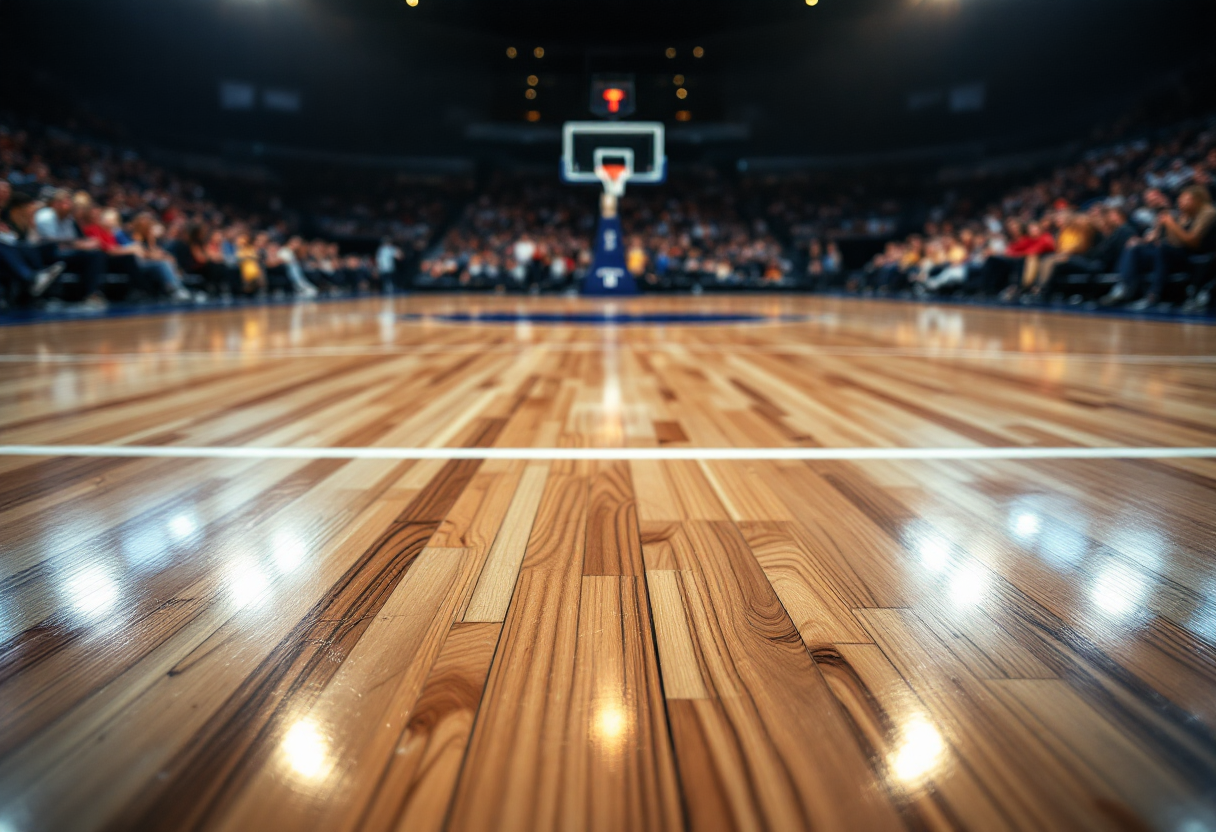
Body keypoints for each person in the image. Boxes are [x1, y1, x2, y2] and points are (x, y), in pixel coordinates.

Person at [1106, 185, 1216, 309]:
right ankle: (1124, 287)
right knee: (1135, 248)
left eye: (1185, 199)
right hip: (1176, 253)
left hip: (1197, 256)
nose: (1180, 202)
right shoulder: (1184, 215)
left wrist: (1171, 223)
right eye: (1180, 199)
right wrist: (1159, 228)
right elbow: (1173, 242)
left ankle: (1153, 295)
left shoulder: (1208, 212)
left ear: (1198, 199)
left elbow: (1193, 242)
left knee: (1162, 248)